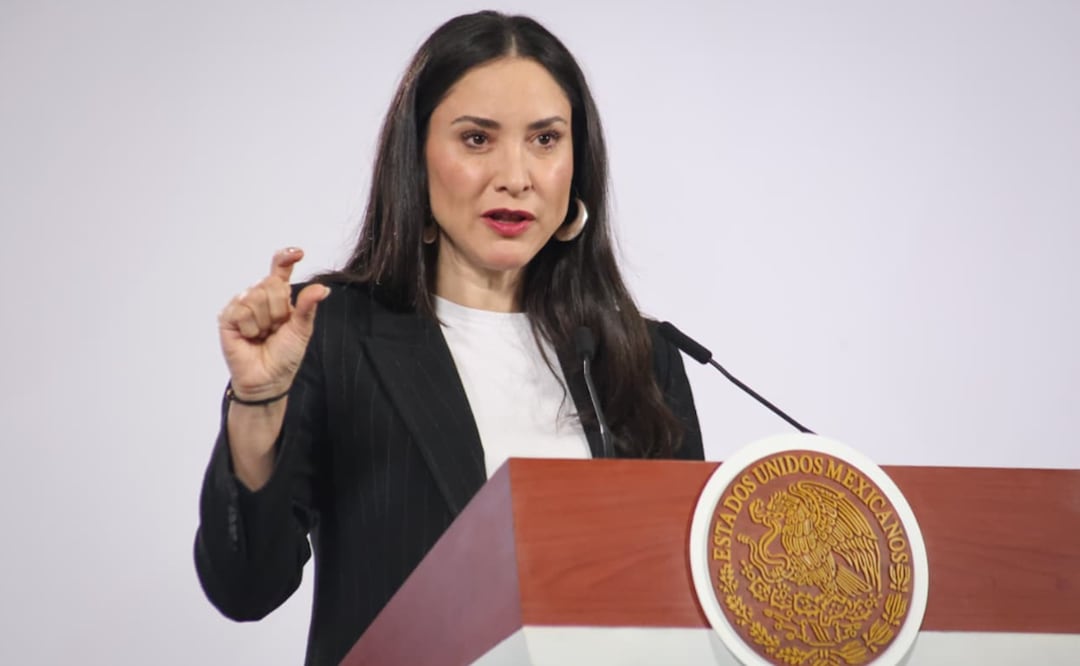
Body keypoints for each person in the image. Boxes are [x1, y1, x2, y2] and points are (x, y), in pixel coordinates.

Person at [194, 10, 703, 666]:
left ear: (577, 164)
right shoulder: (330, 332)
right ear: (417, 158)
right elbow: (245, 588)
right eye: (477, 139)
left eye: (545, 139)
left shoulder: (641, 357)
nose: (515, 175)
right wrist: (258, 406)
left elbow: (683, 605)